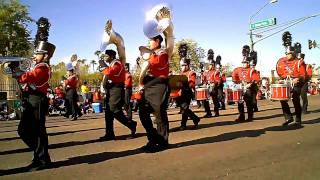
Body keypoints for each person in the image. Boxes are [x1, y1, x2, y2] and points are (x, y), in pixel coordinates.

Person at [12, 17, 55, 171]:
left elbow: (29, 77)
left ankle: (42, 158)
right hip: (32, 99)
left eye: (38, 53)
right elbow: (25, 79)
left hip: (37, 100)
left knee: (34, 130)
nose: (34, 56)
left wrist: (16, 71)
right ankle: (41, 157)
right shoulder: (37, 65)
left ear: (46, 56)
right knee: (27, 130)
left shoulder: (43, 67)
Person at [98, 49, 137, 141]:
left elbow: (109, 72)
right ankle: (109, 134)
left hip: (116, 90)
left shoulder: (117, 63)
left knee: (114, 111)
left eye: (106, 56)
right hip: (111, 90)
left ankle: (131, 124)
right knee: (108, 114)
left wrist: (101, 62)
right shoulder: (112, 64)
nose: (105, 57)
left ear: (112, 56)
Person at [276, 32, 306, 126]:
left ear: (293, 53)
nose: (287, 55)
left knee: (295, 99)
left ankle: (298, 119)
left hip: (297, 83)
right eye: (286, 53)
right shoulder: (281, 61)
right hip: (286, 82)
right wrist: (281, 79)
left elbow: (303, 75)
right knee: (283, 99)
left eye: (288, 53)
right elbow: (280, 73)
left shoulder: (299, 62)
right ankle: (288, 118)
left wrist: (297, 79)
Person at [232, 45, 260, 122]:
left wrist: (249, 84)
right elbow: (234, 77)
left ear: (248, 63)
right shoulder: (238, 69)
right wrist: (237, 82)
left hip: (249, 88)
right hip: (242, 87)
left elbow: (255, 80)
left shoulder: (252, 70)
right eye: (243, 62)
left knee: (248, 103)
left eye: (245, 63)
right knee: (240, 102)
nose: (243, 64)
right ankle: (241, 116)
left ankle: (250, 117)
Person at [176, 44, 200, 130]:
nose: (181, 67)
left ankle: (184, 124)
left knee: (185, 108)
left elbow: (192, 84)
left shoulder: (191, 73)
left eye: (183, 65)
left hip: (187, 92)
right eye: (181, 65)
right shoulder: (180, 74)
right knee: (184, 109)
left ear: (187, 65)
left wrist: (184, 84)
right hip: (180, 93)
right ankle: (194, 119)